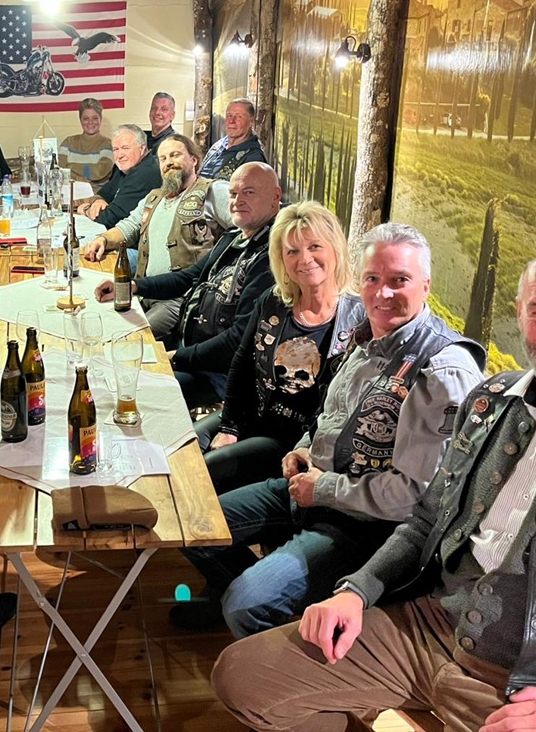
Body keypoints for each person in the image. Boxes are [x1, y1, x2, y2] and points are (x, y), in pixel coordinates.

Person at [213, 248, 536, 732]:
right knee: (243, 676)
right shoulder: (491, 401)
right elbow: (425, 519)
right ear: (520, 315)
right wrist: (357, 590)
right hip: (432, 627)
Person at [173, 223, 485, 637]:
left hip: (363, 525)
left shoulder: (442, 370)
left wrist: (321, 488)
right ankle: (266, 602)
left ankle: (271, 627)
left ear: (426, 285)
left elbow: (413, 497)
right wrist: (303, 447)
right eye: (372, 279)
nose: (382, 293)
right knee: (188, 523)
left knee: (246, 604)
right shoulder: (364, 334)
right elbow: (328, 414)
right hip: (312, 487)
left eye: (399, 280)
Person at [196, 201, 367, 495]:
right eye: (292, 251)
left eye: (315, 247)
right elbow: (242, 363)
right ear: (281, 258)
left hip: (295, 441)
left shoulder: (359, 318)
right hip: (252, 416)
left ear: (335, 249)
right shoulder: (273, 300)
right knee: (184, 447)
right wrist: (229, 427)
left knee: (207, 470)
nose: (305, 259)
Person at [123, 161, 281, 408]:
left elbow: (238, 339)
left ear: (275, 197)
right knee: (121, 358)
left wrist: (176, 357)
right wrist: (134, 286)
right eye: (233, 194)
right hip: (190, 349)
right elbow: (188, 278)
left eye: (249, 192)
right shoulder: (233, 237)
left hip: (219, 374)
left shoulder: (272, 256)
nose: (237, 201)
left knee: (137, 390)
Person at [87, 133, 231, 338]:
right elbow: (129, 226)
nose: (168, 162)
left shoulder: (212, 190)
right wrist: (103, 239)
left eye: (175, 155)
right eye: (163, 159)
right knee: (98, 321)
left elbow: (246, 228)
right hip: (144, 290)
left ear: (194, 159)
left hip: (180, 299)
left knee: (129, 338)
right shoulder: (154, 197)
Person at [73, 124, 162, 228]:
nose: (119, 155)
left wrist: (85, 209)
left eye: (125, 148)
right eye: (115, 149)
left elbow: (109, 219)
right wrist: (97, 201)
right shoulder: (125, 168)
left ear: (142, 148)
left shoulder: (146, 173)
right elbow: (102, 194)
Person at [198, 98, 267, 180]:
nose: (231, 121)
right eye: (229, 115)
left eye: (238, 117)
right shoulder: (218, 145)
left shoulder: (254, 159)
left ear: (251, 122)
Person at [59, 97, 114, 189]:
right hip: (69, 192)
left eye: (95, 118)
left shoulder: (108, 144)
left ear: (100, 119)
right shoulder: (68, 142)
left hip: (96, 194)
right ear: (80, 120)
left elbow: (99, 172)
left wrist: (70, 167)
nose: (90, 122)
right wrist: (80, 178)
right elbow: (59, 171)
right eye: (86, 118)